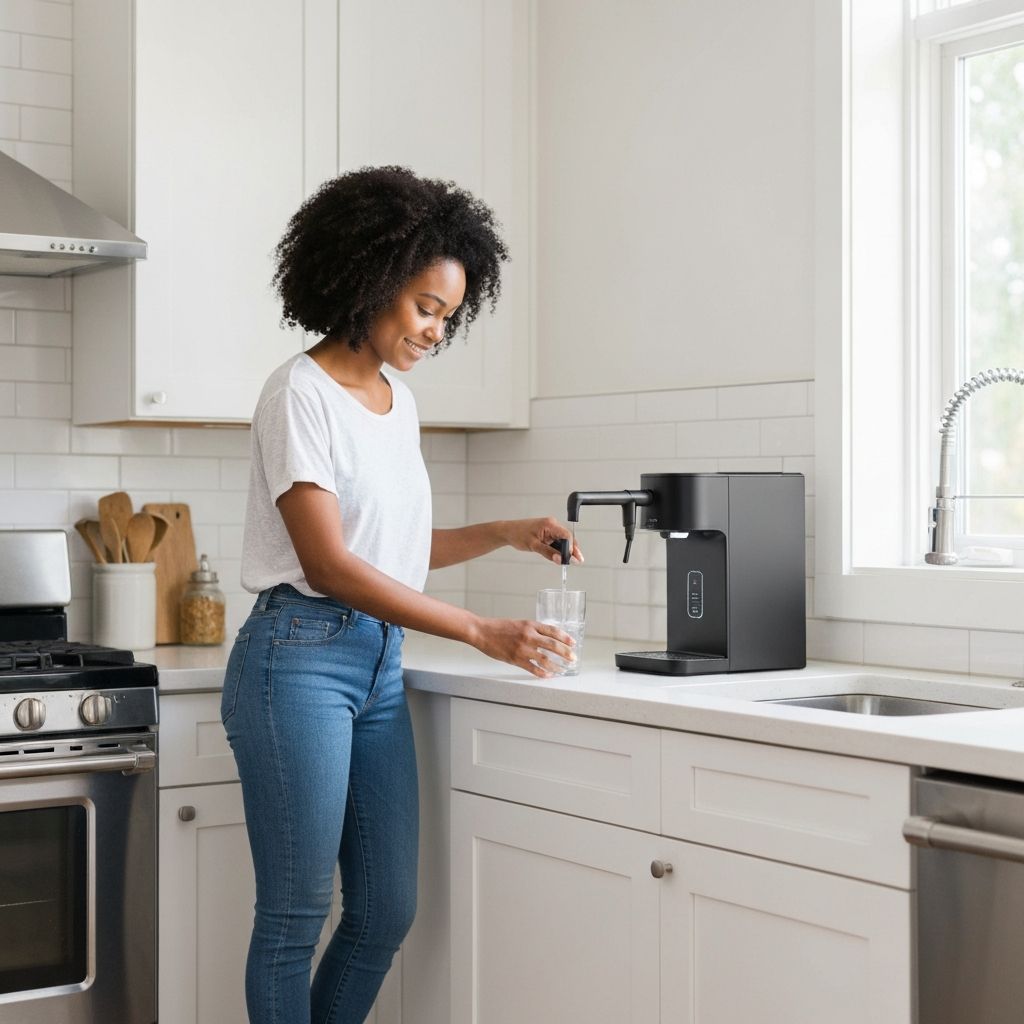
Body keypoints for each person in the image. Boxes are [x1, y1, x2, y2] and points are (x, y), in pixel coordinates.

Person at [223, 165, 583, 1024]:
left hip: (377, 665)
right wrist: (477, 631)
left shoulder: (398, 401)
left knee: (387, 909)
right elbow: (332, 565)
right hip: (296, 660)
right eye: (426, 305)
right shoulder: (297, 395)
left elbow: (390, 553)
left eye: (447, 316)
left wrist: (504, 531)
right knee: (294, 916)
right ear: (371, 278)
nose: (434, 330)